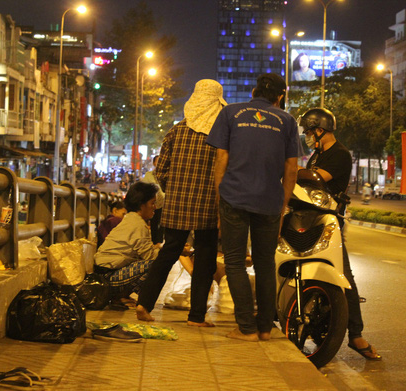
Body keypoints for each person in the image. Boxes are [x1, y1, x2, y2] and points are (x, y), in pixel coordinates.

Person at [206, 73, 300, 341]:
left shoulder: (231, 113)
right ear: (280, 96)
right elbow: (291, 168)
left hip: (233, 196)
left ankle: (246, 327)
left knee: (234, 261)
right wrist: (282, 206)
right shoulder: (287, 121)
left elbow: (221, 158)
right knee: (265, 263)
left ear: (253, 91)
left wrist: (219, 196)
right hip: (269, 200)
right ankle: (265, 329)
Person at [136, 79, 226, 327]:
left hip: (178, 204)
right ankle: (197, 317)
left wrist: (175, 190)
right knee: (206, 259)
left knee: (168, 252)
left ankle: (144, 303)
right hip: (209, 203)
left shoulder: (176, 131)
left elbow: (161, 170)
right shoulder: (222, 133)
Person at [298, 107, 382, 360]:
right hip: (308, 219)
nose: (307, 136)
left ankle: (355, 334)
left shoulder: (339, 155)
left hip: (329, 222)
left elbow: (317, 178)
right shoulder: (316, 154)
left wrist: (289, 169)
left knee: (343, 276)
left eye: (309, 132)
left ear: (320, 130)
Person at [94, 182, 160, 309]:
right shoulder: (138, 224)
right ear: (142, 205)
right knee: (156, 264)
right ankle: (122, 298)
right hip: (107, 278)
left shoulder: (131, 218)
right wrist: (174, 251)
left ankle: (120, 296)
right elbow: (150, 257)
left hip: (105, 274)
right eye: (152, 203)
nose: (155, 207)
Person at [141, 155, 165, 244]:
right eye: (158, 161)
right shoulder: (148, 175)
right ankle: (155, 245)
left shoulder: (167, 174)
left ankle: (160, 244)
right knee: (154, 226)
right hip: (152, 205)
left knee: (163, 226)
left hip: (165, 204)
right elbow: (143, 188)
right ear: (154, 163)